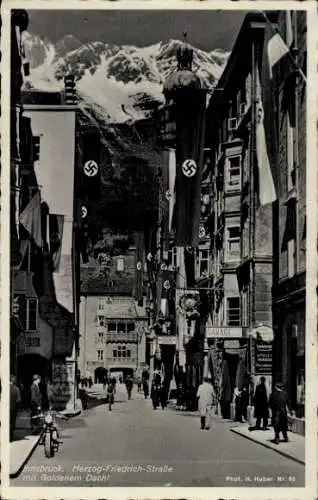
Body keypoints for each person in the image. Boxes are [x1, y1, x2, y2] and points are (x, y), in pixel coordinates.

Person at [10, 375, 21, 441]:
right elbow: (18, 400)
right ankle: (10, 437)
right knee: (12, 423)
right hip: (13, 409)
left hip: (4, 409)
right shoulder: (16, 389)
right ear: (14, 381)